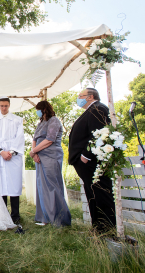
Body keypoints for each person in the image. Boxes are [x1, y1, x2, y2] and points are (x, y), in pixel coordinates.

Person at [68, 88, 116, 233]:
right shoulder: (91, 110)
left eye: (80, 96)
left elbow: (99, 134)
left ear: (90, 97)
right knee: (92, 195)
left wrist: (86, 155)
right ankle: (97, 228)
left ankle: (107, 228)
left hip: (91, 161)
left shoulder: (98, 108)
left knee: (100, 193)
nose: (78, 98)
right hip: (85, 162)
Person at [30, 101, 71, 226]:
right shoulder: (40, 123)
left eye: (38, 109)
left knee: (52, 186)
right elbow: (34, 139)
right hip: (40, 157)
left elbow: (49, 139)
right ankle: (45, 217)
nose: (37, 112)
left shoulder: (54, 120)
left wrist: (33, 151)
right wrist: (35, 153)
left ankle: (58, 219)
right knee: (42, 187)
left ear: (44, 109)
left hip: (51, 156)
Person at [0, 97, 25, 224]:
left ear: (9, 105)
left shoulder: (17, 120)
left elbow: (20, 137)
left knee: (14, 185)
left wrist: (11, 152)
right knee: (1, 185)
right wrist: (1, 152)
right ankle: (3, 214)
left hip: (13, 156)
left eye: (6, 106)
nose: (4, 108)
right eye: (2, 106)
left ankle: (15, 215)